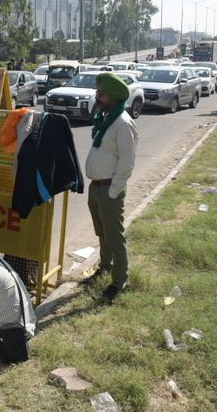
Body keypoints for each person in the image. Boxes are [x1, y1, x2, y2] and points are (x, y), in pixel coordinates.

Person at [85, 73, 139, 302]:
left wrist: (113, 191)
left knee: (114, 238)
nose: (97, 96)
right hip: (96, 187)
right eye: (97, 92)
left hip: (109, 189)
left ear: (114, 98)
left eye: (102, 94)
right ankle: (104, 267)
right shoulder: (106, 119)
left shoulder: (123, 123)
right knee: (102, 234)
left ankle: (119, 282)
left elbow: (127, 163)